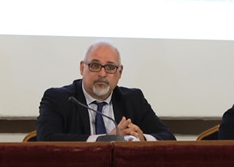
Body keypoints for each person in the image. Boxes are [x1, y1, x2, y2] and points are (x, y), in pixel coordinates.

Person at [36, 41, 175, 142]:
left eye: (110, 67)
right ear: (82, 68)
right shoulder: (59, 98)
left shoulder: (133, 99)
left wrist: (142, 138)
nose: (102, 74)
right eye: (95, 65)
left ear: (120, 72)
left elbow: (168, 138)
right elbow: (46, 139)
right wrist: (106, 139)